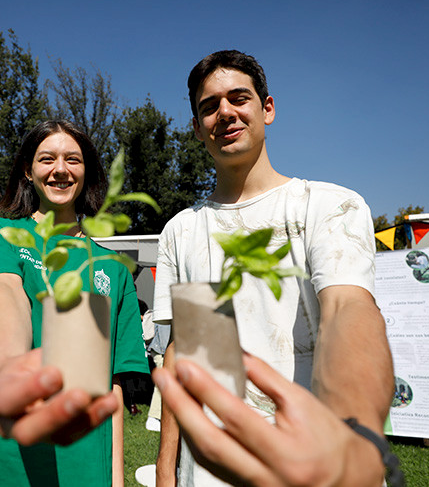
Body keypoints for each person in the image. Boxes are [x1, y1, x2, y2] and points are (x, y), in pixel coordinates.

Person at [152, 50, 395, 486]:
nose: (224, 112)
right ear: (196, 128)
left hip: (314, 466)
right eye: (209, 106)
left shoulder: (328, 205)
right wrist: (167, 471)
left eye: (238, 98)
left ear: (267, 108)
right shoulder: (181, 231)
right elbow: (183, 352)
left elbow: (348, 310)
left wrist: (355, 440)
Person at [0, 120, 148, 486]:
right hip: (6, 433)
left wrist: (115, 477)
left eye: (73, 159)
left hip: (82, 446)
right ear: (28, 170)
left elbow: (113, 382)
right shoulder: (1, 233)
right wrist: (13, 371)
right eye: (46, 159)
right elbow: (5, 292)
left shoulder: (113, 270)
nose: (60, 169)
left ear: (86, 171)